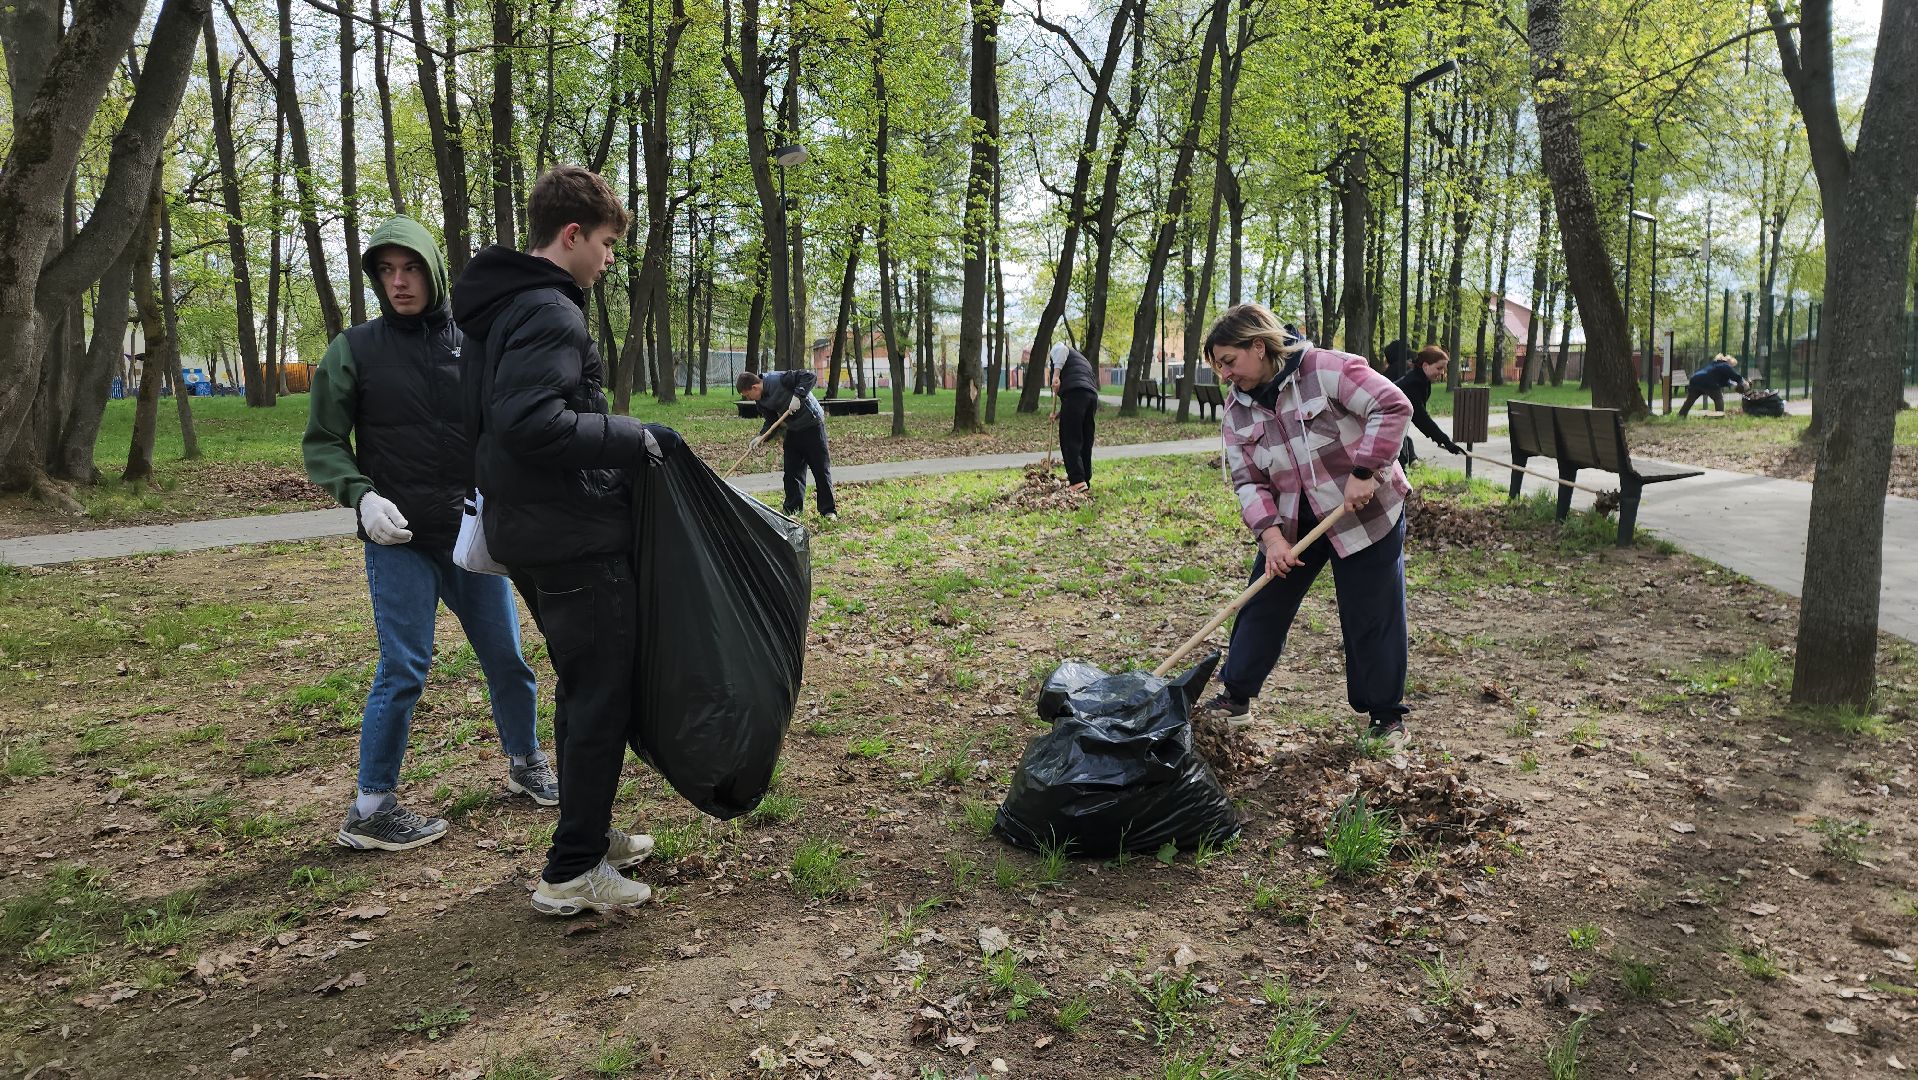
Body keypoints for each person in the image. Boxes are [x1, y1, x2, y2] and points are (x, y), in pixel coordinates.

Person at [452, 165, 682, 915]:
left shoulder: (501, 307)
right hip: (571, 538)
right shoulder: (550, 310)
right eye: (609, 244)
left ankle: (591, 828)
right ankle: (572, 869)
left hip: (533, 529)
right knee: (598, 697)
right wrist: (636, 436)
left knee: (588, 689)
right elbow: (530, 425)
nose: (611, 260)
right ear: (573, 235)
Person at [302, 215, 553, 853]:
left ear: (433, 270)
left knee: (509, 662)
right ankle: (370, 807)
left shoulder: (474, 341)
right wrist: (361, 498)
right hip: (399, 540)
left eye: (409, 268)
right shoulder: (353, 349)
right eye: (386, 271)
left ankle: (527, 763)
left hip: (470, 537)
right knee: (404, 669)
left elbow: (506, 425)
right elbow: (324, 444)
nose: (399, 282)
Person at [1195, 303, 1417, 745]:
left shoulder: (1325, 369)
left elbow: (1392, 406)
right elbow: (1247, 480)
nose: (1224, 373)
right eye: (1217, 365)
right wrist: (1272, 538)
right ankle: (1234, 698)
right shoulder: (1236, 410)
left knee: (1371, 613)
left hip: (1364, 514)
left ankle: (1385, 719)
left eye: (1228, 361)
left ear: (1258, 347)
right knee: (1262, 604)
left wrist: (1365, 472)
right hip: (1294, 522)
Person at [737, 367, 837, 518]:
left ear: (754, 387)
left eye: (749, 395)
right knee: (791, 473)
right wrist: (761, 437)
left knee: (820, 470)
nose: (750, 399)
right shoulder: (761, 401)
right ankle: (793, 510)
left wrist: (798, 396)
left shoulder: (781, 379)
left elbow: (810, 376)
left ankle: (828, 510)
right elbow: (771, 421)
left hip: (812, 425)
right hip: (792, 430)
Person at [1394, 345, 1464, 469]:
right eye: (1439, 368)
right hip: (1383, 428)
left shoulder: (1422, 380)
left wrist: (1443, 441)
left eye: (1444, 369)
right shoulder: (1413, 383)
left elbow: (1420, 417)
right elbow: (1421, 418)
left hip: (1395, 431)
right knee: (1396, 472)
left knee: (1399, 471)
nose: (1442, 372)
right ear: (1425, 366)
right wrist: (1446, 441)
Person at [1048, 342, 1099, 490]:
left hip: (1075, 393)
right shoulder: (1081, 359)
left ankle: (1077, 480)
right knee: (1085, 439)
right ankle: (1084, 480)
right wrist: (1059, 414)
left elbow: (1061, 349)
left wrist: (1056, 375)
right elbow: (1080, 396)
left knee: (1070, 438)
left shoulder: (1059, 348)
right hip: (1091, 396)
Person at [1679, 353, 1749, 417]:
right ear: (1729, 362)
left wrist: (1731, 384)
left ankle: (1681, 415)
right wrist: (1742, 381)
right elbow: (1734, 376)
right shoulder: (1725, 365)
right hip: (1708, 382)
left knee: (1690, 400)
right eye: (1732, 366)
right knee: (1718, 399)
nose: (1732, 367)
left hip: (1695, 380)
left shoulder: (1714, 364)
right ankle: (1720, 415)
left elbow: (1723, 380)